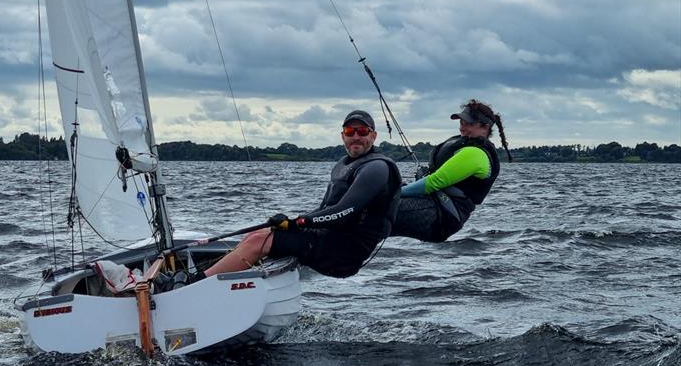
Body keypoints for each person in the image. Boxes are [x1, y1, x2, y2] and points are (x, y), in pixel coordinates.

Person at [203, 110, 401, 279]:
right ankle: (216, 278)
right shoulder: (344, 165)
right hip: (328, 238)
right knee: (256, 235)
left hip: (344, 253)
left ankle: (195, 284)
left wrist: (298, 222)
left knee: (257, 243)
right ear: (343, 136)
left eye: (362, 131)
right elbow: (324, 209)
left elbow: (345, 211)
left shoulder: (377, 168)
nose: (356, 136)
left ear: (373, 136)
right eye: (350, 131)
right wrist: (290, 222)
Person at [391, 99, 512, 242]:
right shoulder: (465, 146)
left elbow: (434, 182)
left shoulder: (476, 154)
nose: (462, 127)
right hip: (435, 207)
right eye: (461, 123)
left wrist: (394, 193)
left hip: (442, 216)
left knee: (375, 208)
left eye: (469, 124)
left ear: (485, 128)